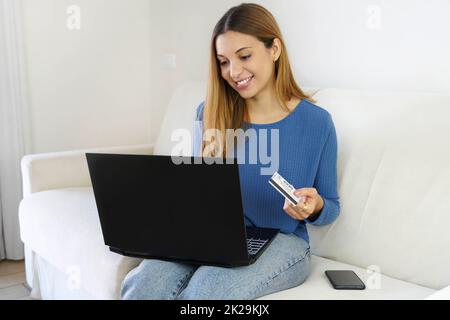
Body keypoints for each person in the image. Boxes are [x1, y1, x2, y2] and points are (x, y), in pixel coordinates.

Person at [120, 3, 340, 300]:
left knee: (206, 291)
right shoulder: (210, 113)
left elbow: (331, 207)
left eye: (244, 56)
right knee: (144, 284)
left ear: (274, 49)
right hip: (210, 236)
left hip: (282, 240)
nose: (233, 72)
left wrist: (313, 207)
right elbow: (197, 196)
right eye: (223, 62)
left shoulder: (317, 122)